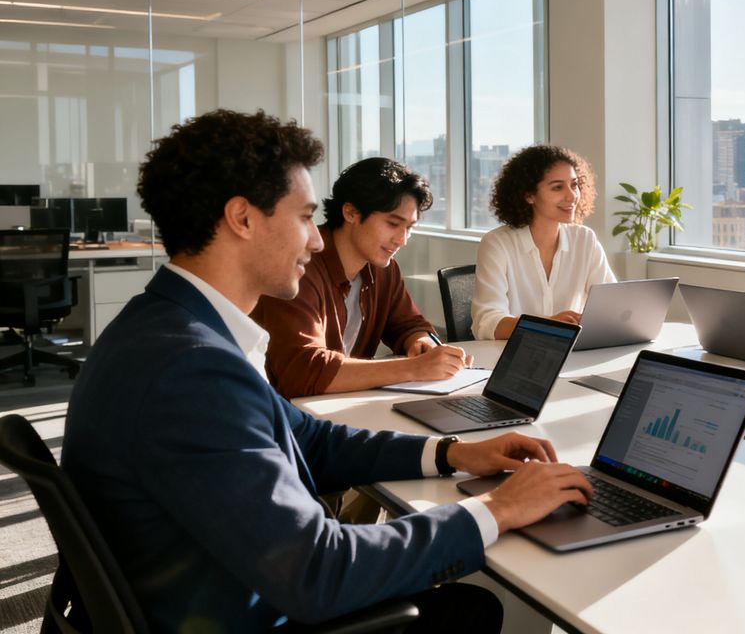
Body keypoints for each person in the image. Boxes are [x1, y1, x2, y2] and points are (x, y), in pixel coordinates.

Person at [63, 110, 592, 631]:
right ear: (242, 218)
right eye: (303, 217)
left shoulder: (173, 326)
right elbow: (319, 572)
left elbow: (309, 439)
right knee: (476, 609)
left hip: (205, 582)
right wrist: (497, 509)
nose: (316, 239)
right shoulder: (191, 370)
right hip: (236, 611)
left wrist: (453, 453)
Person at [252, 157, 468, 398]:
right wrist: (413, 368)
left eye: (409, 227)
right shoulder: (299, 269)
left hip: (339, 406)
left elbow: (409, 325)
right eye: (393, 223)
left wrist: (423, 343)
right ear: (351, 212)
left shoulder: (384, 269)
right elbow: (302, 370)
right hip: (283, 416)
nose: (402, 240)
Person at [471, 145, 615, 340]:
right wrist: (547, 325)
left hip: (572, 355)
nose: (572, 195)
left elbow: (611, 304)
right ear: (529, 195)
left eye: (574, 185)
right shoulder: (497, 243)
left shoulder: (585, 239)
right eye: (557, 187)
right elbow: (487, 322)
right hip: (512, 357)